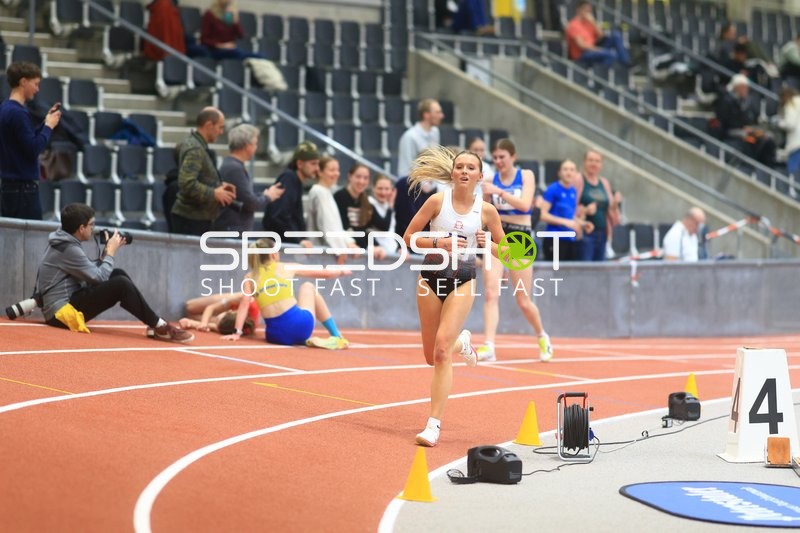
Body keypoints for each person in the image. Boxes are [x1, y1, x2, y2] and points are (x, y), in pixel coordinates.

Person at [402, 146, 504, 447]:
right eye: (459, 166)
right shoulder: (437, 201)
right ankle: (464, 342)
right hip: (430, 279)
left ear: (480, 176)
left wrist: (490, 245)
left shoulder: (486, 211)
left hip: (462, 281)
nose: (463, 171)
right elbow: (408, 238)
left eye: (470, 168)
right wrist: (439, 241)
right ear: (452, 172)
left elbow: (511, 255)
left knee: (442, 351)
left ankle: (433, 424)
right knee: (430, 355)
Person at [35, 203, 193, 342]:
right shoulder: (69, 248)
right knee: (120, 284)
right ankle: (159, 326)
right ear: (81, 228)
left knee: (118, 274)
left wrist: (105, 254)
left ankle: (154, 324)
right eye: (91, 225)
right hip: (61, 314)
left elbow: (90, 272)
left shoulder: (64, 241)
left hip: (65, 303)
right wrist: (110, 252)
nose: (93, 229)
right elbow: (99, 277)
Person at [477, 139, 552, 363]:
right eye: (495, 157)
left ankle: (542, 336)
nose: (498, 161)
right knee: (491, 293)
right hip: (498, 236)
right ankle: (489, 345)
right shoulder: (490, 180)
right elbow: (486, 213)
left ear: (513, 157)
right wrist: (486, 196)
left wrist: (498, 191)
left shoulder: (525, 175)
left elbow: (526, 205)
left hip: (520, 238)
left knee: (523, 300)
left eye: (502, 157)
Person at [220, 238, 349, 349]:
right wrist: (341, 271)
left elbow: (244, 303)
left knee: (287, 316)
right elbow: (325, 274)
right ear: (273, 254)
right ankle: (336, 336)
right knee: (308, 286)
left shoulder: (249, 277)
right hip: (300, 326)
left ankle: (303, 339)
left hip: (276, 336)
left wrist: (237, 332)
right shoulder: (286, 267)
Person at [0, 62, 61, 220]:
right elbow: (33, 148)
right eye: (35, 84)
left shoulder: (5, 108)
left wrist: (45, 123)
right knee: (30, 240)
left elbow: (22, 140)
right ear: (23, 82)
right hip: (23, 190)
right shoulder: (19, 113)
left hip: (9, 187)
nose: (37, 89)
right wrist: (48, 127)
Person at [171, 107, 236, 236]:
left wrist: (217, 186)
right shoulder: (195, 148)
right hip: (190, 221)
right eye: (220, 127)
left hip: (195, 218)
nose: (221, 132)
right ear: (208, 125)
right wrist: (213, 193)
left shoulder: (197, 145)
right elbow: (186, 183)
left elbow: (198, 178)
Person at [213, 124, 284, 232]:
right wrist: (268, 196)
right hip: (232, 231)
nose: (256, 147)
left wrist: (263, 195)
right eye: (255, 144)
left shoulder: (233, 165)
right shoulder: (234, 169)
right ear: (247, 146)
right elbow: (249, 203)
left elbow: (244, 198)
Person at [395, 99, 445, 238]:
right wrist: (422, 185)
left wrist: (433, 184)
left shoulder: (435, 132)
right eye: (437, 112)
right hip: (413, 190)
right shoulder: (410, 137)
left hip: (430, 187)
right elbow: (406, 169)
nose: (442, 116)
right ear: (426, 115)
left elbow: (435, 162)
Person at [262, 141, 319, 246]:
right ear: (300, 164)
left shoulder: (294, 180)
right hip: (281, 248)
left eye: (317, 164)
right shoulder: (289, 179)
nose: (317, 169)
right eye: (313, 163)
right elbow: (278, 217)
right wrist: (298, 240)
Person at [714, 74, 777, 168]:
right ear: (737, 87)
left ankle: (767, 166)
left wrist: (749, 127)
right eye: (744, 87)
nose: (746, 90)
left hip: (745, 128)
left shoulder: (744, 102)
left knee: (766, 137)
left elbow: (749, 118)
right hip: (730, 130)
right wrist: (743, 127)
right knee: (749, 137)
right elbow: (725, 120)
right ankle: (752, 165)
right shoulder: (726, 100)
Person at [305, 156, 360, 260]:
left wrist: (349, 242)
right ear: (320, 172)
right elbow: (327, 225)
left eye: (337, 170)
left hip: (328, 252)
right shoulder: (318, 191)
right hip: (321, 254)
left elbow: (336, 227)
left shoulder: (327, 192)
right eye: (332, 170)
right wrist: (340, 250)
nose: (336, 173)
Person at [334, 163, 392, 259]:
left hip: (360, 252)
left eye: (365, 178)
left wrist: (377, 246)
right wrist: (368, 247)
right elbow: (345, 227)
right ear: (350, 176)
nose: (362, 181)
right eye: (358, 177)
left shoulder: (365, 200)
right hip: (346, 250)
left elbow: (377, 227)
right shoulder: (340, 196)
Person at [575, 149, 622, 261]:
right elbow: (570, 208)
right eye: (590, 160)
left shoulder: (604, 183)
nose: (593, 164)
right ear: (584, 162)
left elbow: (611, 211)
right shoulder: (578, 179)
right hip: (585, 233)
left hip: (602, 233)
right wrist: (585, 210)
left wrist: (615, 204)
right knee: (586, 270)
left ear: (601, 164)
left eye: (597, 161)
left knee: (600, 270)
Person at [539, 159, 591, 262]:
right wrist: (565, 222)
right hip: (555, 238)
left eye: (572, 170)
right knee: (556, 275)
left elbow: (569, 216)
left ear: (576, 173)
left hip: (569, 239)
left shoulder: (573, 191)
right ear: (559, 173)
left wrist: (582, 224)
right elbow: (542, 215)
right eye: (565, 169)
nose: (569, 172)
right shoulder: (553, 189)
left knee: (568, 274)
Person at [565, 1, 629, 67]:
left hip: (593, 48)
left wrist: (593, 22)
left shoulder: (589, 22)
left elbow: (601, 36)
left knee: (616, 36)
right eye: (585, 10)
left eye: (589, 11)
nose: (588, 13)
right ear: (579, 10)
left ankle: (625, 63)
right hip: (582, 54)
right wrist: (598, 49)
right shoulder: (573, 25)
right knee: (610, 54)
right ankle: (601, 73)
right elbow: (582, 46)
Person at [178, 292, 258, 335]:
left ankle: (210, 319)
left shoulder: (246, 329)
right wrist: (203, 323)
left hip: (232, 318)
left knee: (191, 316)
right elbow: (211, 307)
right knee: (190, 306)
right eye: (217, 320)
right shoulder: (243, 299)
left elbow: (218, 327)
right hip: (232, 300)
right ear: (229, 311)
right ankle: (212, 318)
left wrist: (193, 324)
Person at [368, 173, 400, 255]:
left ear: (391, 190)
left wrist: (398, 249)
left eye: (387, 189)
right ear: (373, 188)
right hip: (377, 253)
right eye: (380, 188)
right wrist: (390, 205)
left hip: (392, 254)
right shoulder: (369, 203)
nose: (383, 192)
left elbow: (390, 233)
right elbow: (384, 226)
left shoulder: (388, 206)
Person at [777, 87, 800, 176]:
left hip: (796, 144)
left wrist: (779, 123)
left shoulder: (791, 104)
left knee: (793, 172)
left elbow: (790, 124)